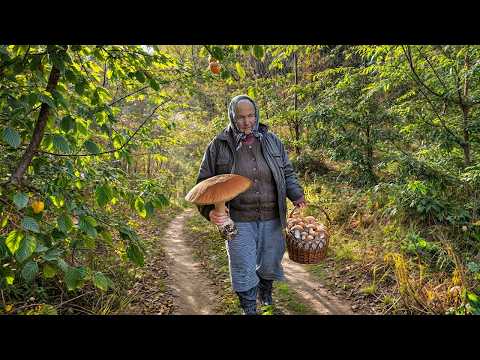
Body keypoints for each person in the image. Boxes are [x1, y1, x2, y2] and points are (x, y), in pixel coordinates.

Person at [195, 94, 306, 315]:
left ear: (256, 114)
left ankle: (265, 292)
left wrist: (296, 195)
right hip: (236, 220)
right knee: (242, 266)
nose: (247, 122)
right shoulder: (218, 145)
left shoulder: (272, 140)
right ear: (231, 117)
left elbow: (286, 171)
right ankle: (249, 308)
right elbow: (203, 184)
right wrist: (209, 212)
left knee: (269, 263)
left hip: (273, 216)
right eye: (241, 117)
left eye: (251, 116)